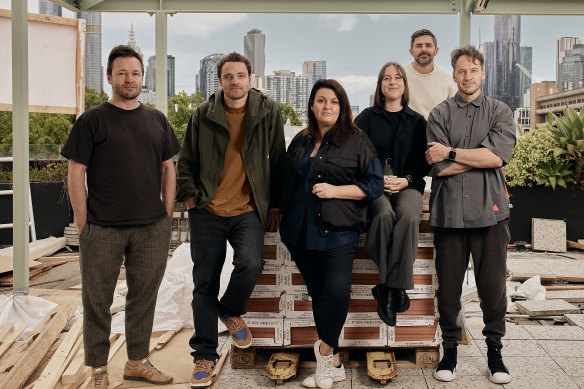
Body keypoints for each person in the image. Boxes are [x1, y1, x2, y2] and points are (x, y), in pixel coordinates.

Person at [62, 45, 180, 388]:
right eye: (122, 73)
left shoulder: (156, 118)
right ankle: (98, 369)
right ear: (110, 77)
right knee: (97, 299)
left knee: (143, 297)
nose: (129, 79)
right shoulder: (92, 119)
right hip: (102, 227)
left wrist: (167, 213)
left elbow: (168, 168)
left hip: (151, 226)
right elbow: (75, 172)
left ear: (143, 79)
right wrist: (83, 221)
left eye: (136, 73)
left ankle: (137, 361)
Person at [176, 52, 285, 388]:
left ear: (250, 79)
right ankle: (205, 357)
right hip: (207, 210)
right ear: (220, 80)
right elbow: (186, 159)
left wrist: (276, 204)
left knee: (252, 263)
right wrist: (190, 194)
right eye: (228, 76)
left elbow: (278, 160)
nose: (235, 81)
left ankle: (230, 309)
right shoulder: (202, 114)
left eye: (241, 75)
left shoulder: (268, 111)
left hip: (248, 209)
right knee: (204, 283)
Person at [279, 79, 383, 389]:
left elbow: (374, 185)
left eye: (334, 102)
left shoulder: (358, 141)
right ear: (311, 105)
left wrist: (336, 190)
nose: (327, 106)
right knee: (321, 295)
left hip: (338, 230)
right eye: (321, 100)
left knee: (337, 293)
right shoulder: (300, 140)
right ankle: (334, 359)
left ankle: (323, 354)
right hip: (299, 231)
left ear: (343, 107)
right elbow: (286, 181)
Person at [425, 45, 516, 385]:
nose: (467, 76)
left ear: (482, 74)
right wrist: (475, 156)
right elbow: (437, 165)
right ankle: (449, 349)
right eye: (461, 71)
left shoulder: (500, 111)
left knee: (492, 288)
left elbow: (495, 159)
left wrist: (451, 151)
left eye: (473, 70)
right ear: (454, 74)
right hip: (449, 213)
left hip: (491, 213)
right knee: (448, 290)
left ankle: (495, 352)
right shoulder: (439, 113)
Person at [354, 62, 429, 327]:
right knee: (384, 214)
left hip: (408, 185)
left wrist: (405, 179)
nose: (392, 82)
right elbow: (354, 153)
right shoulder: (365, 118)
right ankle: (394, 286)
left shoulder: (418, 121)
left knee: (408, 216)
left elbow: (424, 163)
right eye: (387, 78)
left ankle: (386, 287)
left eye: (398, 77)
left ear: (404, 85)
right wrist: (376, 178)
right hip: (375, 185)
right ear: (380, 86)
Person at [404, 29, 457, 119]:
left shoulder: (448, 78)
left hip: (438, 131)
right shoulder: (399, 75)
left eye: (428, 45)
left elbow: (455, 113)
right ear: (411, 52)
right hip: (406, 130)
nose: (424, 49)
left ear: (436, 51)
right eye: (419, 46)